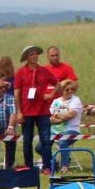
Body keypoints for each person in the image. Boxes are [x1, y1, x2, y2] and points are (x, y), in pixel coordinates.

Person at [11, 44, 59, 173]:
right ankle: (29, 167)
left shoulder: (44, 71)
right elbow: (17, 94)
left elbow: (58, 83)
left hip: (43, 111)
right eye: (32, 54)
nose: (35, 56)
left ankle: (47, 167)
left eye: (36, 53)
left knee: (45, 140)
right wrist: (19, 112)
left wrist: (51, 95)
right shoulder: (21, 73)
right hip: (27, 112)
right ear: (26, 57)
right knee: (27, 141)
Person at [48, 79, 83, 171]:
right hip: (55, 130)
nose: (70, 91)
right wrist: (62, 118)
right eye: (67, 90)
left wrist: (56, 114)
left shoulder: (76, 100)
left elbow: (71, 115)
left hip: (72, 129)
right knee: (40, 146)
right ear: (61, 91)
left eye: (72, 89)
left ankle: (65, 166)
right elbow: (50, 118)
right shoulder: (55, 101)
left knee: (63, 142)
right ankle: (53, 162)